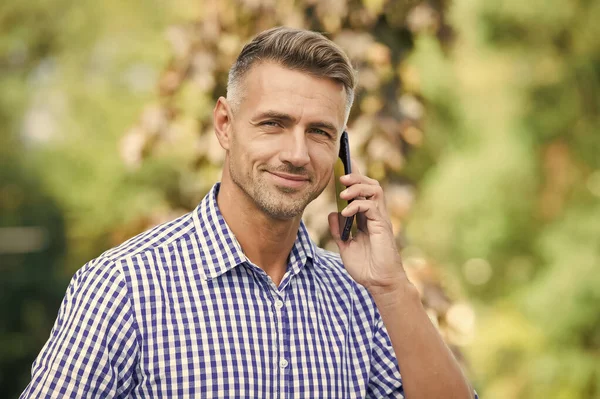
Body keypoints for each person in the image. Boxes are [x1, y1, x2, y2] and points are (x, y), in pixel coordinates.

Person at [20, 27, 476, 398]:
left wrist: (392, 287)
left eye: (319, 132)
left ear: (340, 150)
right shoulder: (124, 286)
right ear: (225, 125)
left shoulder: (361, 299)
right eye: (273, 123)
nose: (297, 154)